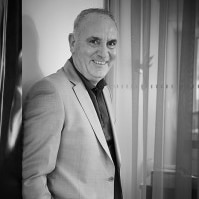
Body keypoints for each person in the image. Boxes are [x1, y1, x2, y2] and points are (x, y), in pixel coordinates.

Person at [22, 8, 123, 199]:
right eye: (94, 41)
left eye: (111, 43)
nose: (104, 53)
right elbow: (32, 179)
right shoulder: (50, 92)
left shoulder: (105, 91)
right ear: (72, 42)